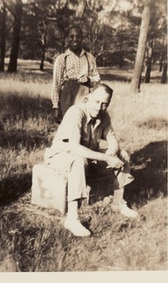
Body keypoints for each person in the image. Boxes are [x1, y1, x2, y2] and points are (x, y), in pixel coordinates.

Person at [44, 83, 138, 237]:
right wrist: (106, 157)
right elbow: (74, 147)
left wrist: (113, 155)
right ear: (88, 98)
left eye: (104, 104)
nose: (99, 107)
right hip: (61, 155)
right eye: (96, 102)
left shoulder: (103, 115)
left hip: (87, 154)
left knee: (123, 155)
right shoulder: (75, 112)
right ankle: (72, 218)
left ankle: (118, 202)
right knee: (79, 160)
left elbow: (113, 141)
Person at [51, 26, 101, 122]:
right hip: (68, 99)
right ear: (67, 39)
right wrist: (55, 106)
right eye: (71, 36)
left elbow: (97, 78)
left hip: (86, 98)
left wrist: (89, 80)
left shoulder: (89, 57)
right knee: (69, 127)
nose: (75, 39)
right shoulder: (62, 59)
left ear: (82, 38)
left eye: (78, 37)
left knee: (85, 128)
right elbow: (56, 84)